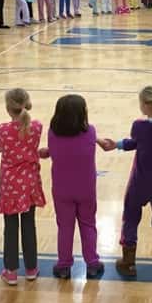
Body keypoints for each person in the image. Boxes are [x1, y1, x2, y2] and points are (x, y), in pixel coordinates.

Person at [102, 86, 152, 277]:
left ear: (147, 105)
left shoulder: (139, 125)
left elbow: (135, 142)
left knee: (130, 218)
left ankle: (129, 262)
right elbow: (146, 142)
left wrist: (117, 145)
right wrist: (119, 145)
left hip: (139, 181)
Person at [40, 94, 104, 279]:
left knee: (65, 227)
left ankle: (64, 265)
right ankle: (92, 263)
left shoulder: (52, 133)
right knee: (88, 225)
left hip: (62, 189)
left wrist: (47, 152)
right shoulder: (90, 132)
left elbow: (54, 151)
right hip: (86, 189)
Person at [0, 88, 45, 285]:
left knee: (10, 227)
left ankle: (11, 271)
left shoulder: (1, 129)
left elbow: (6, 146)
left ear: (8, 108)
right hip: (30, 182)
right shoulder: (37, 127)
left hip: (10, 184)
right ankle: (31, 268)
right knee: (29, 224)